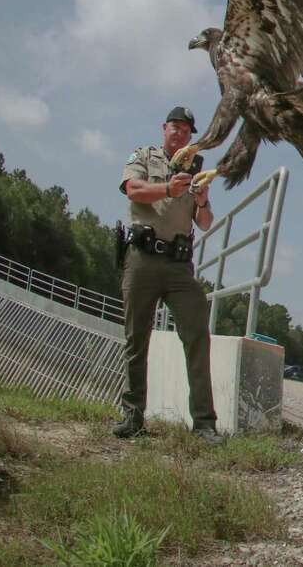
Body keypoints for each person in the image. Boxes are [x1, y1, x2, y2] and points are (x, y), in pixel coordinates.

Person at [115, 106, 220, 443]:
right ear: (164, 129)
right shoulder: (145, 156)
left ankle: (204, 424)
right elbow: (133, 190)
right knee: (136, 339)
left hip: (179, 265)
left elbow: (204, 224)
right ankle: (132, 418)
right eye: (175, 127)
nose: (181, 134)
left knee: (197, 336)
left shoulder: (196, 169)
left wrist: (201, 201)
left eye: (187, 130)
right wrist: (168, 190)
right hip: (143, 258)